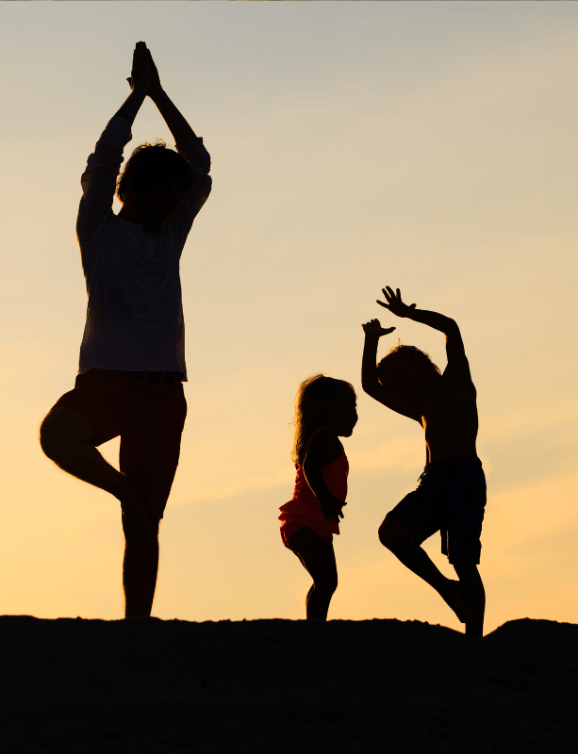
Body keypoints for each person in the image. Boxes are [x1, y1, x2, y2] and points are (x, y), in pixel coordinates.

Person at [39, 42, 212, 618]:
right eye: (166, 192)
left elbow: (198, 163)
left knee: (145, 529)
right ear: (136, 188)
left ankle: (137, 627)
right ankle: (123, 491)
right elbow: (104, 157)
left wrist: (159, 92)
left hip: (164, 393)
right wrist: (134, 97)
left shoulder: (171, 231)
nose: (175, 201)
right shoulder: (100, 228)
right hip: (108, 382)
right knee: (57, 435)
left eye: (176, 195)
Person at [361, 286, 486, 636]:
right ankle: (446, 589)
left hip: (463, 476)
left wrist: (408, 315)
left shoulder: (456, 380)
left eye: (401, 374)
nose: (400, 386)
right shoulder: (418, 408)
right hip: (432, 482)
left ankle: (474, 636)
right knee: (392, 533)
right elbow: (371, 386)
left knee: (464, 560)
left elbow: (451, 328)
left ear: (420, 361)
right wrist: (371, 339)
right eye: (396, 385)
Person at [279, 375, 358, 620]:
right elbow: (310, 468)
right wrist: (324, 498)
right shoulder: (324, 438)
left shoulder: (324, 439)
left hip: (311, 521)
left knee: (325, 581)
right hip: (306, 520)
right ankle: (314, 630)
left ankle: (315, 626)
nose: (355, 415)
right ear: (330, 411)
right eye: (350, 408)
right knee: (326, 580)